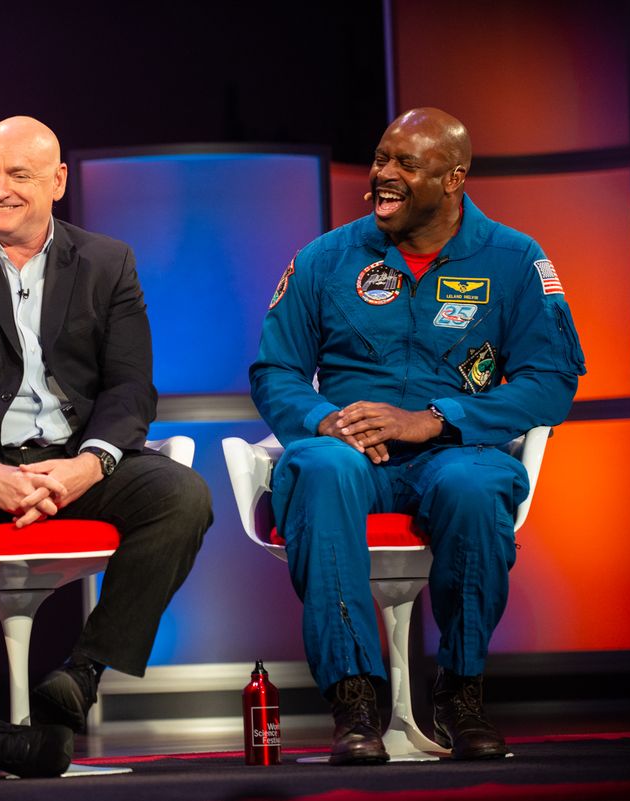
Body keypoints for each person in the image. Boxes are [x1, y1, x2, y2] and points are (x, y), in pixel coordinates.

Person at [250, 107, 585, 764]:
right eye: (380, 159)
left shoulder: (515, 259)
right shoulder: (326, 258)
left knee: (473, 481)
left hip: (452, 449)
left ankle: (461, 695)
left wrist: (434, 419)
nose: (383, 175)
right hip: (351, 453)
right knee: (320, 468)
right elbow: (275, 369)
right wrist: (326, 421)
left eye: (406, 164)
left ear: (454, 176)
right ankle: (355, 704)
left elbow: (552, 379)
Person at [0, 116, 212, 777]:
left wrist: (89, 465)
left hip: (72, 455)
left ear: (58, 181)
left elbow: (129, 388)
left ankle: (82, 673)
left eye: (19, 175)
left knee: (182, 497)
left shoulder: (107, 261)